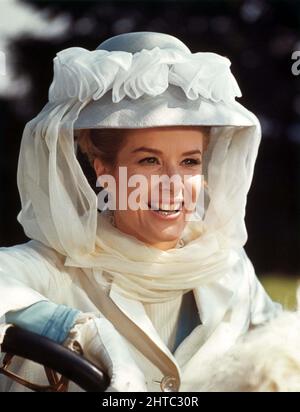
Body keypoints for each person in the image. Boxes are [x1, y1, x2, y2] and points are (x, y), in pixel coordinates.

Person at [0, 31, 282, 392]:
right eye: (149, 160)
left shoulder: (229, 267)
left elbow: (284, 350)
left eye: (190, 161)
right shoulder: (55, 265)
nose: (173, 183)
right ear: (103, 168)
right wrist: (78, 330)